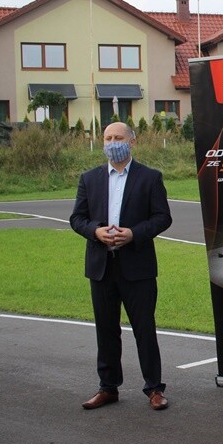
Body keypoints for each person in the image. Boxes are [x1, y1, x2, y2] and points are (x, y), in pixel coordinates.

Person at [70, 122, 173, 410]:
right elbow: (76, 218)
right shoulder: (89, 179)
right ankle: (108, 387)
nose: (112, 142)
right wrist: (95, 231)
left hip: (137, 266)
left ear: (132, 142)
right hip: (101, 267)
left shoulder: (150, 178)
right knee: (105, 328)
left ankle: (154, 388)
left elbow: (162, 217)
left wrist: (134, 233)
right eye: (108, 138)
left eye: (118, 138)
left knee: (144, 328)